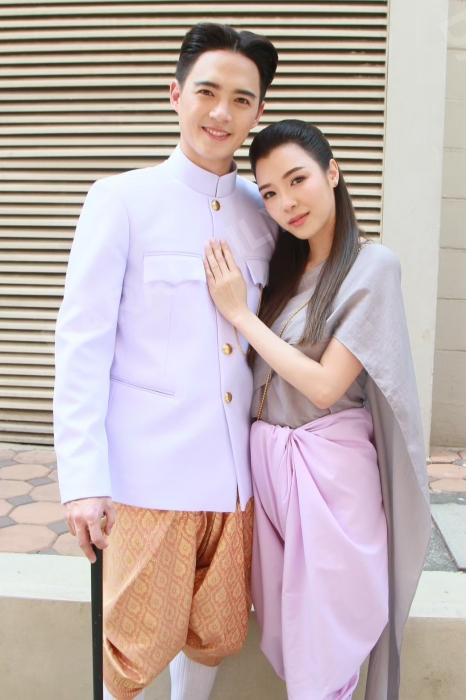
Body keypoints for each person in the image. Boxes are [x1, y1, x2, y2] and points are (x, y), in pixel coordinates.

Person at [53, 23, 278, 700]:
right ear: (175, 94)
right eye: (207, 92)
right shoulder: (121, 199)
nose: (221, 112)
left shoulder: (264, 213)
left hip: (235, 483)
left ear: (259, 112)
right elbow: (83, 342)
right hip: (147, 478)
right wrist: (83, 479)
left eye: (242, 99)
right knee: (129, 650)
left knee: (214, 635)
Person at [204, 119, 431, 700]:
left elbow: (328, 385)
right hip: (270, 470)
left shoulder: (372, 266)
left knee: (325, 644)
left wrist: (240, 315)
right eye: (270, 192)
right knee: (290, 638)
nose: (286, 202)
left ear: (332, 173)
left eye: (297, 179)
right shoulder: (284, 270)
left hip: (329, 472)